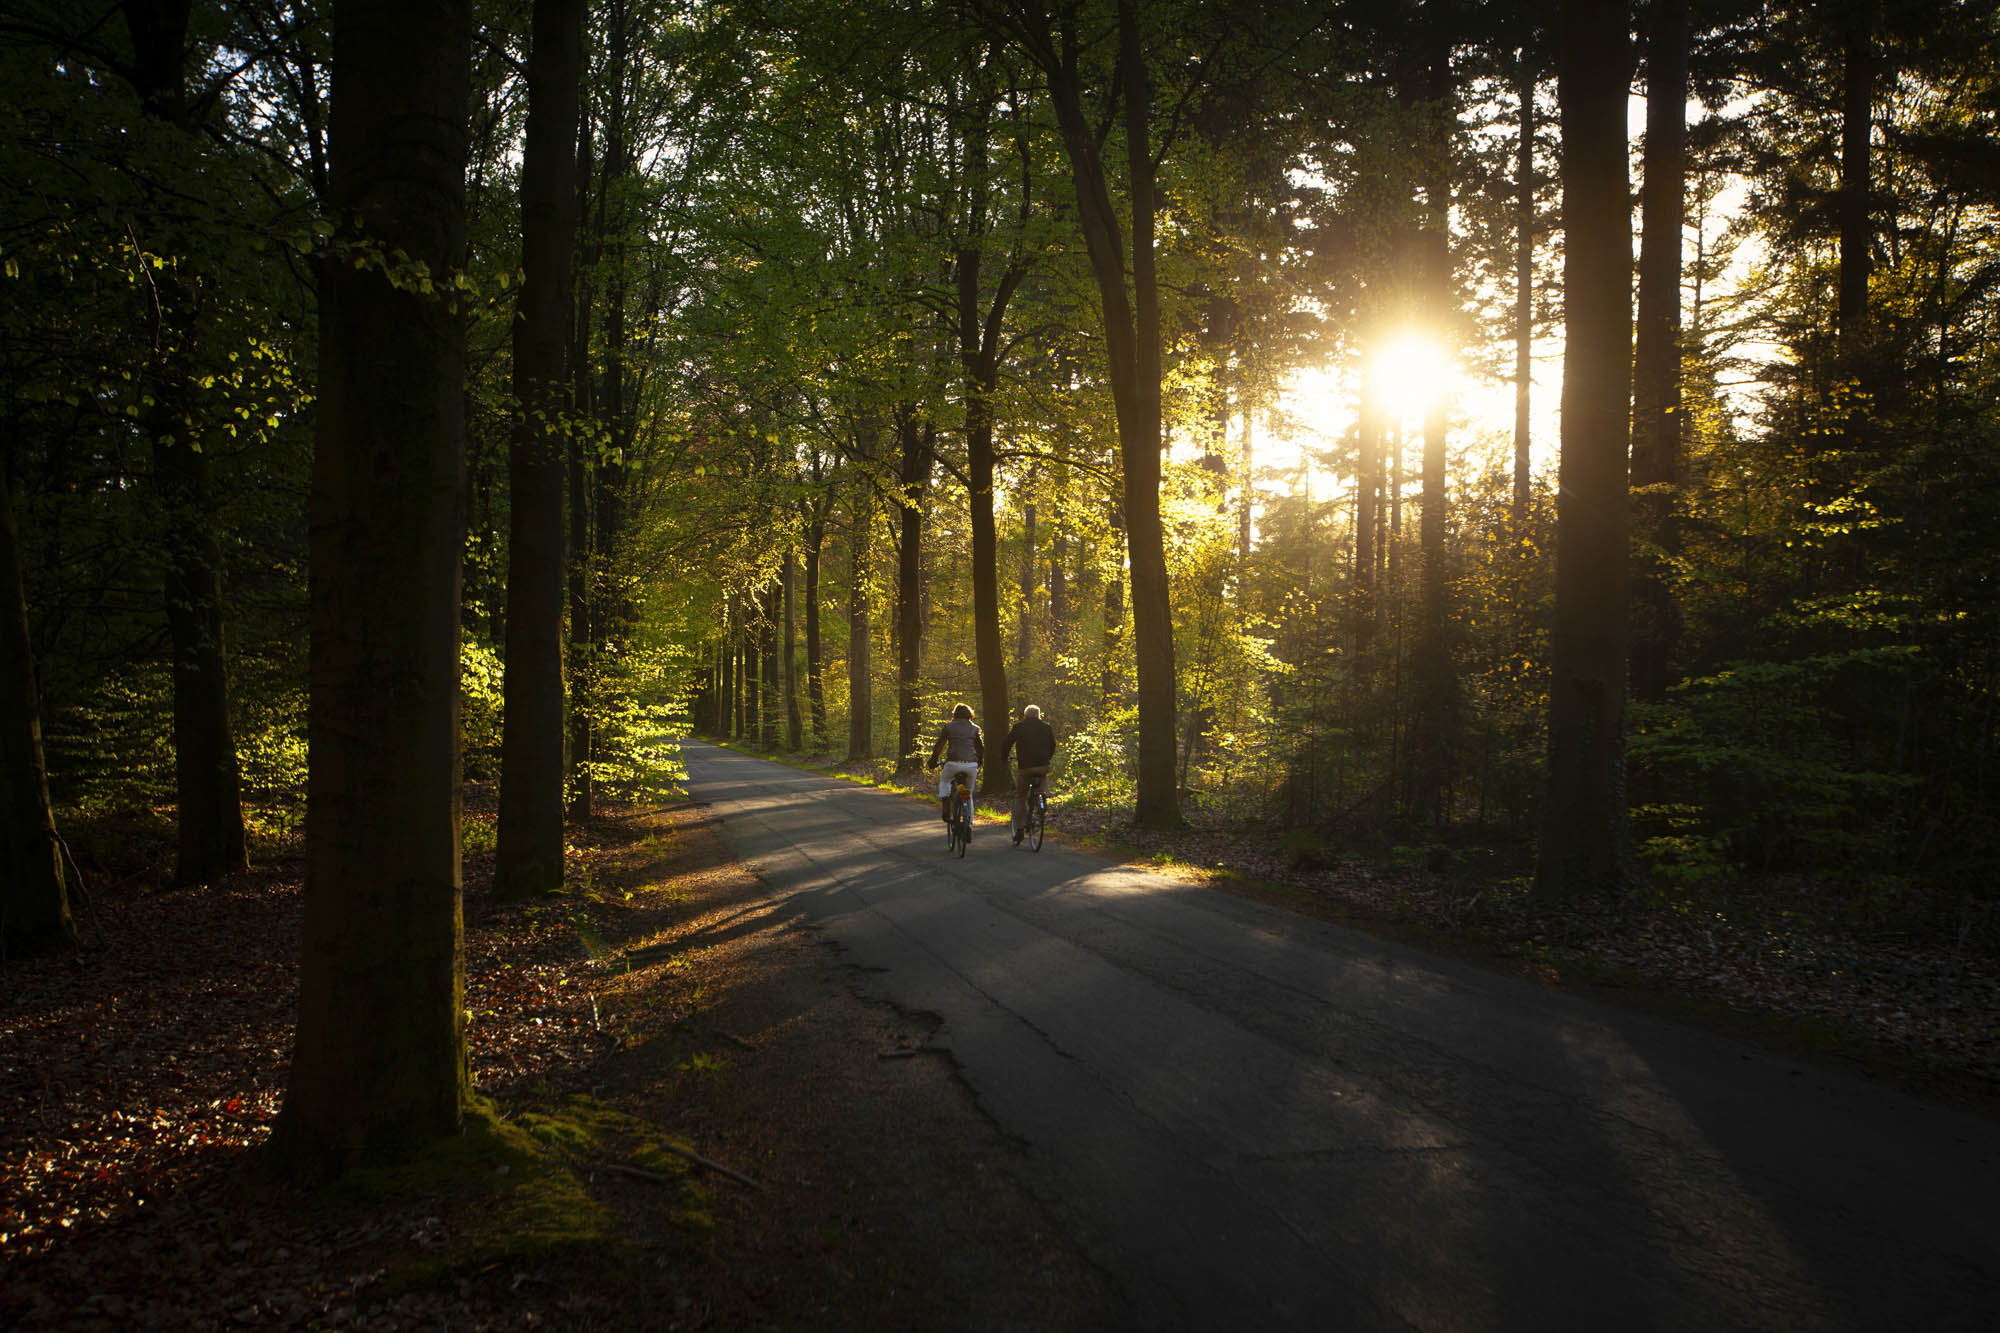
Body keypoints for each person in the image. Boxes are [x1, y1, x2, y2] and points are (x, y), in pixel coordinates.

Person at [1003, 704, 1056, 845]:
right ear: (1039, 715)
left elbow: (1007, 744)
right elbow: (1053, 746)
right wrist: (1046, 759)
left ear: (1025, 716)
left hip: (1025, 768)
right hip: (1042, 766)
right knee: (1042, 782)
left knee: (1020, 796)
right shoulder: (1047, 727)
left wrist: (1004, 758)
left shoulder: (1019, 727)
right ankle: (1042, 800)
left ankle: (1019, 829)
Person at [927, 702, 984, 827]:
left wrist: (932, 761)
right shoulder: (975, 728)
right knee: (968, 794)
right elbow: (980, 748)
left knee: (945, 782)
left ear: (955, 714)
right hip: (971, 765)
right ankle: (969, 825)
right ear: (970, 714)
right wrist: (979, 761)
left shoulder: (948, 727)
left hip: (953, 763)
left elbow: (939, 746)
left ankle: (946, 805)